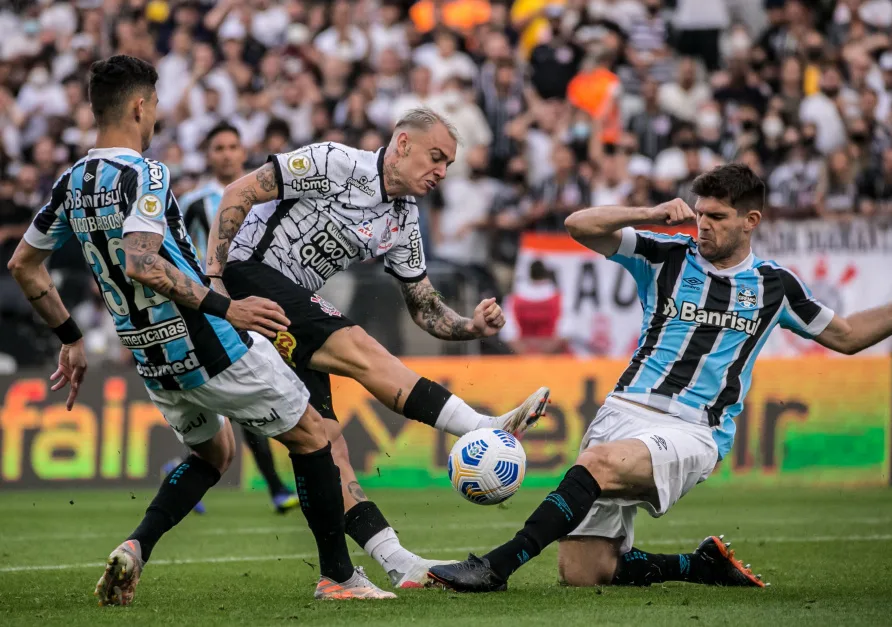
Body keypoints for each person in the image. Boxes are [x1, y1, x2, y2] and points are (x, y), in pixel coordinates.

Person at [430, 163, 892, 591]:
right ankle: (699, 565)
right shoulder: (666, 255)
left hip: (694, 429)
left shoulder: (774, 286)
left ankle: (497, 566)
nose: (704, 226)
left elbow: (848, 335)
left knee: (600, 464)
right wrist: (649, 212)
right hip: (622, 411)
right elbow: (578, 224)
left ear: (751, 220)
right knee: (585, 573)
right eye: (700, 214)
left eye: (717, 217)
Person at [6, 55, 394, 604]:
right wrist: (226, 308)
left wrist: (70, 337)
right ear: (141, 105)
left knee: (215, 455)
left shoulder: (71, 182)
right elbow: (143, 261)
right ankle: (339, 576)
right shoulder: (146, 173)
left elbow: (23, 264)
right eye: (157, 104)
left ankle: (134, 548)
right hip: (207, 339)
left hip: (149, 356)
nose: (157, 114)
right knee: (316, 436)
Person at [204, 106, 551, 589]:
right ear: (402, 144)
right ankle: (482, 426)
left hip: (287, 310)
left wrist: (471, 326)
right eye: (436, 157)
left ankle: (386, 565)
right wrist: (215, 278)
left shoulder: (404, 220)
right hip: (249, 275)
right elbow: (239, 191)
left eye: (448, 164)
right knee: (360, 347)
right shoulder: (334, 162)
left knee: (326, 444)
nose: (441, 172)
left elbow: (424, 306)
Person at [176, 121, 299, 514]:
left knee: (252, 393)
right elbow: (183, 255)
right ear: (209, 155)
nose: (227, 154)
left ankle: (184, 468)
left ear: (243, 151)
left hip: (263, 301)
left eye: (233, 146)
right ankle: (279, 488)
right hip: (219, 308)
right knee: (249, 390)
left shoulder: (265, 196)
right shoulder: (195, 203)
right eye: (219, 148)